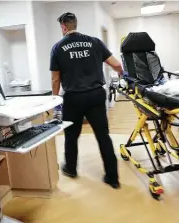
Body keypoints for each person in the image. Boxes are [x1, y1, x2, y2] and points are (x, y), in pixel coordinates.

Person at [50, 12, 124, 189]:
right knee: (103, 136)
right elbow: (116, 64)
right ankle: (112, 177)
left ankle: (70, 168)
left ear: (63, 27)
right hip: (96, 95)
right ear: (75, 24)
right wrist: (121, 74)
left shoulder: (58, 47)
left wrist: (54, 99)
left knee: (71, 136)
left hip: (73, 98)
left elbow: (55, 78)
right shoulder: (95, 42)